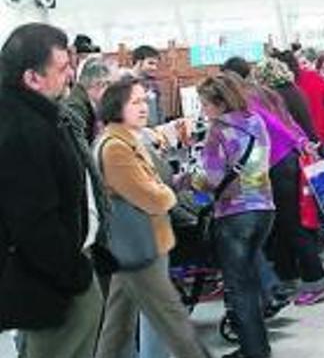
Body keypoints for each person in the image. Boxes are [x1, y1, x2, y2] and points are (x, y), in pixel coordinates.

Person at [0, 23, 107, 358]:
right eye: (62, 69)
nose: (71, 75)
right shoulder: (22, 130)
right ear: (32, 78)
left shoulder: (41, 116)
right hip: (54, 286)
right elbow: (33, 222)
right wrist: (75, 274)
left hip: (58, 276)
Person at [93, 78, 210, 358]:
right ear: (116, 107)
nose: (144, 107)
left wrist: (161, 189)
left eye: (144, 100)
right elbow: (153, 197)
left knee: (117, 324)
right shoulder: (115, 147)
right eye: (135, 102)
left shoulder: (129, 140)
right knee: (174, 321)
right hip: (141, 245)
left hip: (135, 244)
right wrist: (167, 193)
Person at [224, 70, 324, 307]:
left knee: (294, 226)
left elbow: (274, 124)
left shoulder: (247, 101)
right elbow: (288, 121)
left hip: (280, 165)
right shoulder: (261, 93)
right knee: (286, 225)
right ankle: (288, 275)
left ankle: (317, 282)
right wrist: (302, 141)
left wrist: (299, 142)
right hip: (287, 161)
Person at [191, 74, 275, 358]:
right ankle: (257, 348)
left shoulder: (218, 130)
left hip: (234, 215)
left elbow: (212, 179)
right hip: (264, 209)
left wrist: (184, 181)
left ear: (218, 103)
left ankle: (255, 352)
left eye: (204, 104)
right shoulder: (256, 121)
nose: (203, 110)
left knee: (240, 290)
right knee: (249, 283)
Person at [65, 56, 113, 144]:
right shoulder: (76, 107)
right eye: (109, 85)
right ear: (100, 84)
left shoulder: (84, 101)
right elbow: (77, 146)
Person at [132, 45, 164, 126]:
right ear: (138, 62)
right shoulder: (125, 84)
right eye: (150, 63)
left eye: (156, 65)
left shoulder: (154, 84)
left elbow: (160, 109)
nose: (154, 68)